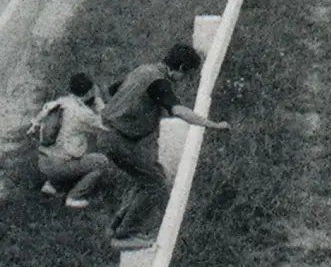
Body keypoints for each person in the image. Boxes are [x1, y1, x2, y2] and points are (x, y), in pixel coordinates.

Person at [97, 42, 228, 250]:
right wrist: (213, 125)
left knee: (151, 173)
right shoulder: (160, 82)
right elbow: (179, 111)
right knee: (155, 183)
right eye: (186, 75)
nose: (184, 81)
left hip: (110, 133)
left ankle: (117, 225)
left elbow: (111, 90)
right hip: (118, 139)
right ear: (182, 68)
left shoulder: (144, 70)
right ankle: (124, 235)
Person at [29, 72, 114, 209]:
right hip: (58, 166)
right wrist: (98, 101)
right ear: (89, 91)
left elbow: (36, 125)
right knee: (101, 162)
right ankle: (74, 197)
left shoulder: (58, 102)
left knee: (69, 149)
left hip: (43, 160)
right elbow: (107, 125)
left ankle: (52, 185)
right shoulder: (83, 113)